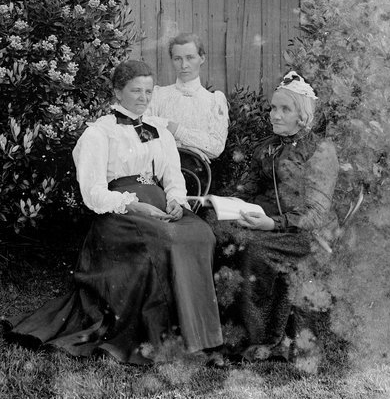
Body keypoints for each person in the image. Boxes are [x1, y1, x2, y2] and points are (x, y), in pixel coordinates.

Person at [2, 60, 223, 365]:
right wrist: (132, 203)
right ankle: (163, 338)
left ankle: (200, 336)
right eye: (136, 90)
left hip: (159, 205)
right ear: (118, 91)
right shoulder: (99, 133)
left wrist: (175, 201)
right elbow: (92, 192)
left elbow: (173, 178)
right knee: (166, 241)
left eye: (148, 90)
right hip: (119, 215)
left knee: (202, 233)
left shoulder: (160, 130)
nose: (143, 97)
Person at [212, 71, 339, 363]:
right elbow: (247, 190)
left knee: (253, 250)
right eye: (273, 108)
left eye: (285, 109)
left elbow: (316, 213)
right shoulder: (267, 148)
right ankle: (227, 335)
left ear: (302, 115)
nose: (275, 115)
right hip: (271, 227)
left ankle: (262, 339)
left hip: (308, 235)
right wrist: (224, 203)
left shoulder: (320, 150)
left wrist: (273, 223)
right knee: (224, 237)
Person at [146, 32, 229, 163]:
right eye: (178, 59)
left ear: (202, 58)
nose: (184, 65)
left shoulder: (214, 101)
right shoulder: (158, 95)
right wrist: (184, 147)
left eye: (190, 58)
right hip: (157, 171)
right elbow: (143, 135)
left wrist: (176, 129)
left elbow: (215, 147)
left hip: (198, 177)